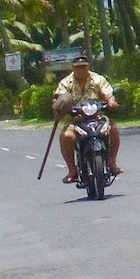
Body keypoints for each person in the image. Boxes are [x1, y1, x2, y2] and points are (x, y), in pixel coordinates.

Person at [54, 54, 121, 183]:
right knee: (66, 136)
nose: (81, 70)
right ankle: (72, 170)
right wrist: (58, 109)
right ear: (73, 68)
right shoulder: (66, 83)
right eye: (78, 67)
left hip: (98, 117)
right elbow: (59, 99)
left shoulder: (98, 79)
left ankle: (112, 163)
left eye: (83, 67)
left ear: (88, 67)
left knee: (113, 129)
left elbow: (108, 93)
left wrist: (111, 102)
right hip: (75, 120)